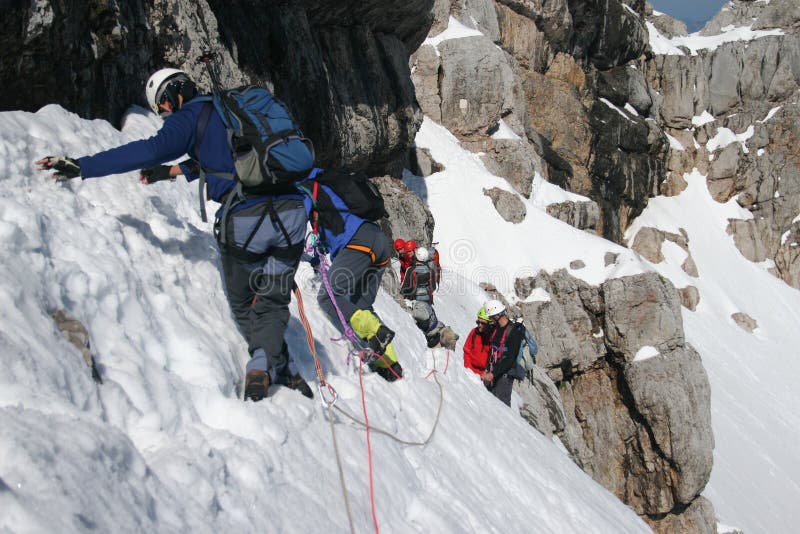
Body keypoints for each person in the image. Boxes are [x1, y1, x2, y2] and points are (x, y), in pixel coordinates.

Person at [35, 67, 313, 402]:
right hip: (293, 212)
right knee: (273, 296)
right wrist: (169, 173)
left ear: (172, 96)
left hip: (246, 219)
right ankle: (285, 369)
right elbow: (219, 159)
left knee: (245, 301)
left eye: (163, 106)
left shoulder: (189, 117)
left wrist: (84, 165)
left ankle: (263, 365)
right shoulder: (234, 114)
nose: (165, 112)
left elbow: (147, 150)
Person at [300, 172, 403, 381]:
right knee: (360, 304)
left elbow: (295, 222)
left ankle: (373, 329)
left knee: (328, 297)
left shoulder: (305, 187)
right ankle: (389, 364)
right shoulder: (329, 181)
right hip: (378, 242)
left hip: (357, 242)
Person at [400, 246, 458, 349]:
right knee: (433, 322)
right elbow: (433, 287)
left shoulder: (411, 270)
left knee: (424, 324)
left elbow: (405, 288)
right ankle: (446, 337)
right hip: (427, 302)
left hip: (415, 302)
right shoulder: (431, 271)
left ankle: (435, 339)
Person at [482, 299, 524, 406]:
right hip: (492, 372)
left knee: (502, 408)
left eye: (491, 316)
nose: (490, 319)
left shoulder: (514, 332)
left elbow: (510, 359)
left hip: (504, 377)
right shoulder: (495, 329)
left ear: (496, 315)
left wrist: (493, 374)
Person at [463, 307, 494, 375]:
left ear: (490, 324)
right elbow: (466, 351)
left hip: (485, 374)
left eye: (483, 323)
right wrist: (468, 368)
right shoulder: (474, 332)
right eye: (478, 322)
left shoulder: (494, 337)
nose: (479, 325)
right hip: (470, 371)